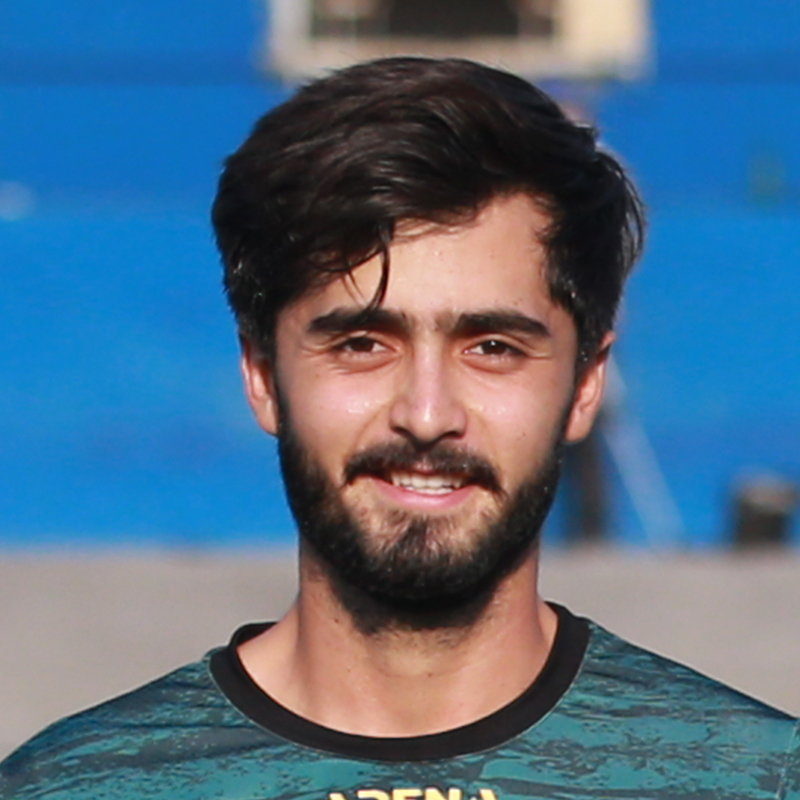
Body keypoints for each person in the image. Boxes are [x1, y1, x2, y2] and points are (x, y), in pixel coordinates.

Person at [2, 56, 797, 800]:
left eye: (492, 347)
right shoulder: (72, 787)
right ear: (262, 375)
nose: (426, 414)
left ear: (586, 384)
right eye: (361, 343)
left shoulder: (753, 779)